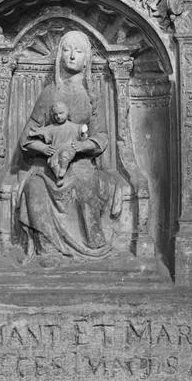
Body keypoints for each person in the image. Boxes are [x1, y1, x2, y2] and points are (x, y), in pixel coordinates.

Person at [17, 30, 117, 259]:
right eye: (66, 49)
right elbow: (27, 138)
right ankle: (47, 247)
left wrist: (76, 149)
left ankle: (94, 241)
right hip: (47, 166)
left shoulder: (92, 96)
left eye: (78, 51)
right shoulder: (49, 93)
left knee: (86, 182)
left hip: (81, 164)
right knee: (34, 187)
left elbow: (101, 137)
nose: (72, 56)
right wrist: (42, 148)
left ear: (86, 60)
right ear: (59, 55)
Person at [27, 100, 89, 186]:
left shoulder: (74, 126)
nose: (58, 116)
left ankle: (63, 169)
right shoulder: (51, 128)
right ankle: (59, 178)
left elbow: (82, 132)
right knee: (52, 163)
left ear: (67, 113)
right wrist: (35, 132)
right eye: (56, 114)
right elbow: (42, 131)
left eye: (61, 113)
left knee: (65, 155)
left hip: (69, 147)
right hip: (56, 150)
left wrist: (83, 135)